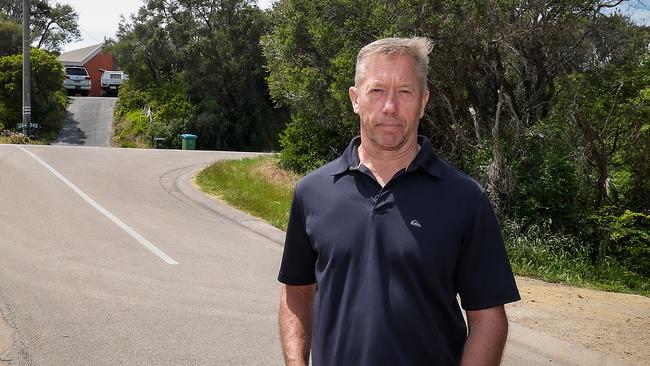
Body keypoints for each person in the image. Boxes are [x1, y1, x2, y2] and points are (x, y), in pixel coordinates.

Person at [277, 37, 520, 366]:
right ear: (355, 99)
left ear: (423, 101)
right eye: (376, 91)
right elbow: (297, 292)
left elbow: (488, 318)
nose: (389, 106)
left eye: (404, 91)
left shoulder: (465, 199)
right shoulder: (312, 192)